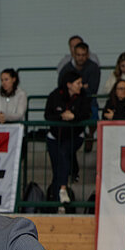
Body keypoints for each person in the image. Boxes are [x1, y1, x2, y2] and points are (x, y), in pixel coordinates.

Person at [44, 70, 90, 202]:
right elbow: (48, 115)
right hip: (55, 137)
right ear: (69, 84)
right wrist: (61, 116)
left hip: (74, 136)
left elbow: (87, 114)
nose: (81, 85)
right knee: (57, 168)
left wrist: (74, 117)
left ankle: (63, 189)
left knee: (64, 152)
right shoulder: (55, 95)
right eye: (78, 83)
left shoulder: (83, 96)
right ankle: (57, 203)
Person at [57, 42, 101, 113]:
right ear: (73, 55)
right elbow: (62, 88)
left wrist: (74, 88)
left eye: (83, 55)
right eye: (78, 55)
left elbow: (93, 90)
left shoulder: (94, 68)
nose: (81, 58)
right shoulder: (66, 69)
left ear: (88, 55)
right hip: (69, 102)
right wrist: (83, 86)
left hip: (89, 102)